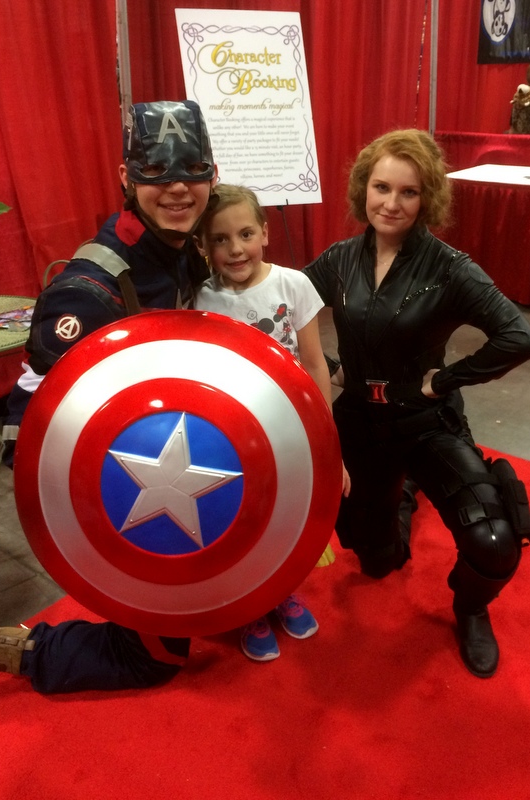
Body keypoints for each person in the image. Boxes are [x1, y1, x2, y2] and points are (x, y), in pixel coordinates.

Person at [0, 100, 219, 693]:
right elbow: (32, 434)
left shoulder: (178, 249)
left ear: (212, 175)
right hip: (115, 481)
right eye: (155, 171)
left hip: (172, 445)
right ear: (126, 178)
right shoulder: (91, 289)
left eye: (192, 169)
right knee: (154, 659)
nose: (177, 187)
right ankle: (21, 650)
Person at [303, 128, 530, 678]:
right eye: (381, 187)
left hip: (425, 421)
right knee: (377, 561)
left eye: (408, 192)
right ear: (363, 189)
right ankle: (405, 492)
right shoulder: (340, 259)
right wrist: (330, 368)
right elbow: (284, 309)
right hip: (360, 421)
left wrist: (443, 381)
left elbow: (519, 337)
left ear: (427, 197)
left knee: (494, 540)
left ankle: (471, 608)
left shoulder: (450, 267)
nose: (391, 203)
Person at [193, 183, 350, 662]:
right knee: (244, 519)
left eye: (245, 234)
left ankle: (281, 591)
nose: (236, 249)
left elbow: (315, 363)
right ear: (203, 246)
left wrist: (327, 441)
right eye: (220, 239)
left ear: (265, 232)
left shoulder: (293, 285)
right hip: (233, 438)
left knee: (285, 517)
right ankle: (251, 606)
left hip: (290, 431)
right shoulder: (201, 299)